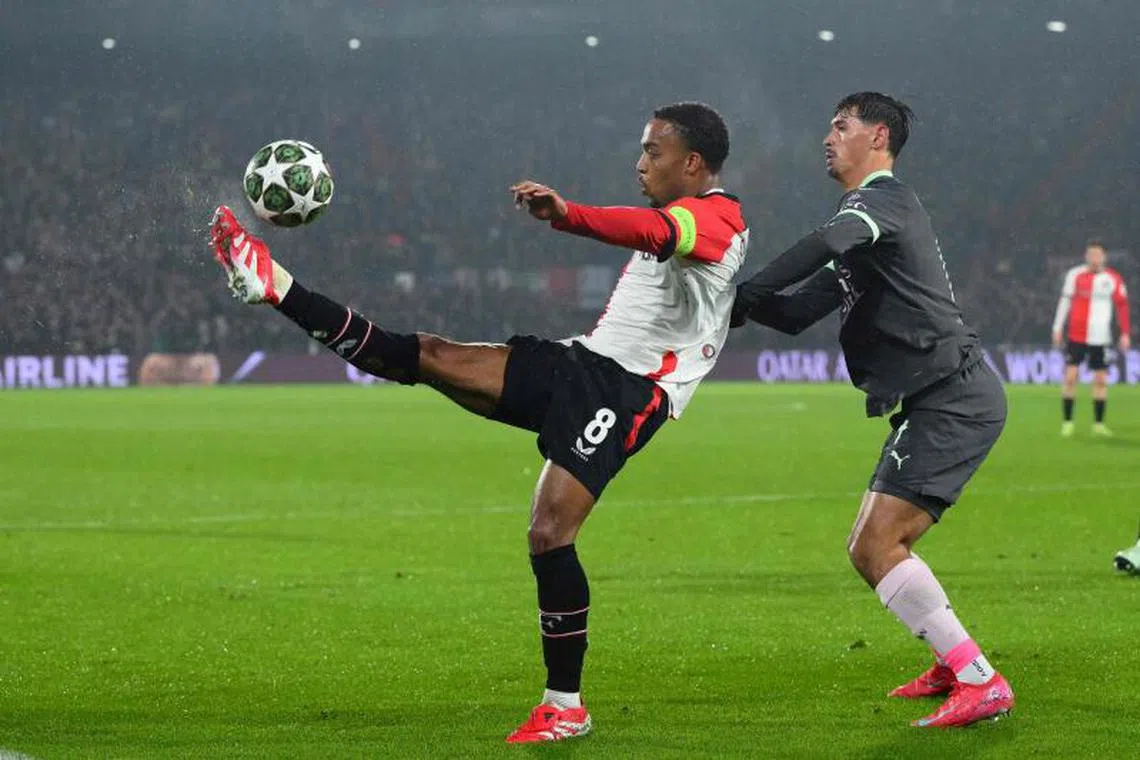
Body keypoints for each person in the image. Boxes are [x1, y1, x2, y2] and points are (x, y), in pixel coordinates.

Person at [207, 102, 748, 743]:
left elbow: (653, 233)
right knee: (428, 356)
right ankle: (273, 284)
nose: (640, 163)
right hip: (581, 364)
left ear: (693, 163)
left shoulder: (716, 218)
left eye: (653, 152)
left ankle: (565, 705)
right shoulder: (686, 222)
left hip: (628, 393)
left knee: (550, 533)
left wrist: (567, 214)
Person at [731, 92, 1013, 728]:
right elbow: (796, 312)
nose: (827, 138)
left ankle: (980, 680)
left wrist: (748, 288)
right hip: (936, 398)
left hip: (953, 397)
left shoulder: (883, 202)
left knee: (876, 544)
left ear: (878, 137)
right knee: (876, 544)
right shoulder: (866, 234)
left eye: (841, 126)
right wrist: (731, 298)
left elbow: (822, 241)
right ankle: (951, 663)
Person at [1051, 240, 1131, 437]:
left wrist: (1125, 333)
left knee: (1101, 380)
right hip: (1076, 335)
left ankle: (1098, 424)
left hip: (1101, 338)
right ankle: (1068, 423)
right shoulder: (1075, 275)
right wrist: (1057, 327)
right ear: (1086, 256)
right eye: (1091, 254)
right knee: (1070, 377)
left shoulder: (1113, 278)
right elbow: (1065, 301)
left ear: (1104, 257)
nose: (1094, 258)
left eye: (1098, 255)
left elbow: (1122, 307)